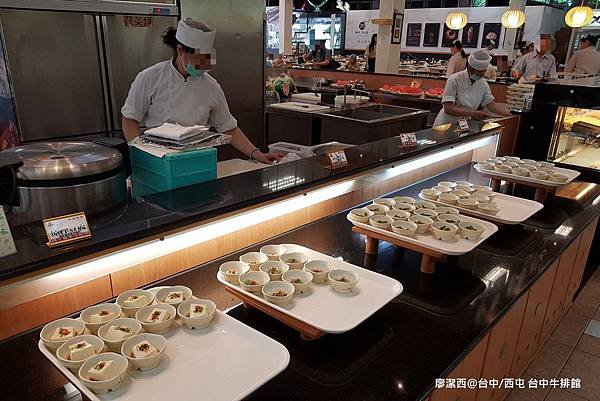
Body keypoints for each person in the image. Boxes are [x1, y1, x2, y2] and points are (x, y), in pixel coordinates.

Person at [121, 18, 282, 164]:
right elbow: (129, 120)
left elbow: (228, 127)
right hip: (159, 161)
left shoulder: (211, 86)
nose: (203, 64)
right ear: (180, 50)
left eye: (207, 57)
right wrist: (141, 156)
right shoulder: (149, 78)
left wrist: (257, 154)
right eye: (198, 57)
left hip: (198, 161)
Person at [434, 50, 511, 126]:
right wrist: (473, 113)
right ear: (470, 68)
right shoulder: (454, 79)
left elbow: (491, 105)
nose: (482, 74)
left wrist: (509, 115)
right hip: (446, 124)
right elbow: (448, 108)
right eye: (480, 72)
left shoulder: (483, 83)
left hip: (464, 125)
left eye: (484, 71)